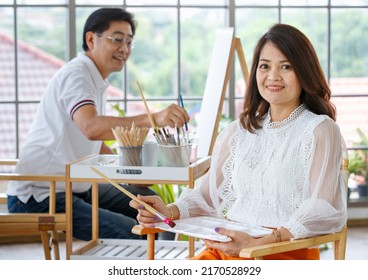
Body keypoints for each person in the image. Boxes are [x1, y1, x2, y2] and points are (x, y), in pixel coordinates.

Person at [130, 23, 348, 260]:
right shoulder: (239, 131)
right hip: (227, 248)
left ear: (304, 72)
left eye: (286, 66)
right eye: (265, 66)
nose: (273, 76)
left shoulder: (320, 130)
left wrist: (260, 242)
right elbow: (207, 196)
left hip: (280, 252)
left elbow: (324, 209)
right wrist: (168, 210)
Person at [6, 8, 189, 241]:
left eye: (129, 42)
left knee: (152, 205)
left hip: (75, 188)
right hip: (41, 194)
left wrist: (129, 173)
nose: (124, 49)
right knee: (137, 233)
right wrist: (153, 118)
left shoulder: (94, 79)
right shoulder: (77, 74)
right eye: (117, 39)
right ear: (91, 39)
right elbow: (91, 128)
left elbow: (95, 144)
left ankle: (160, 264)